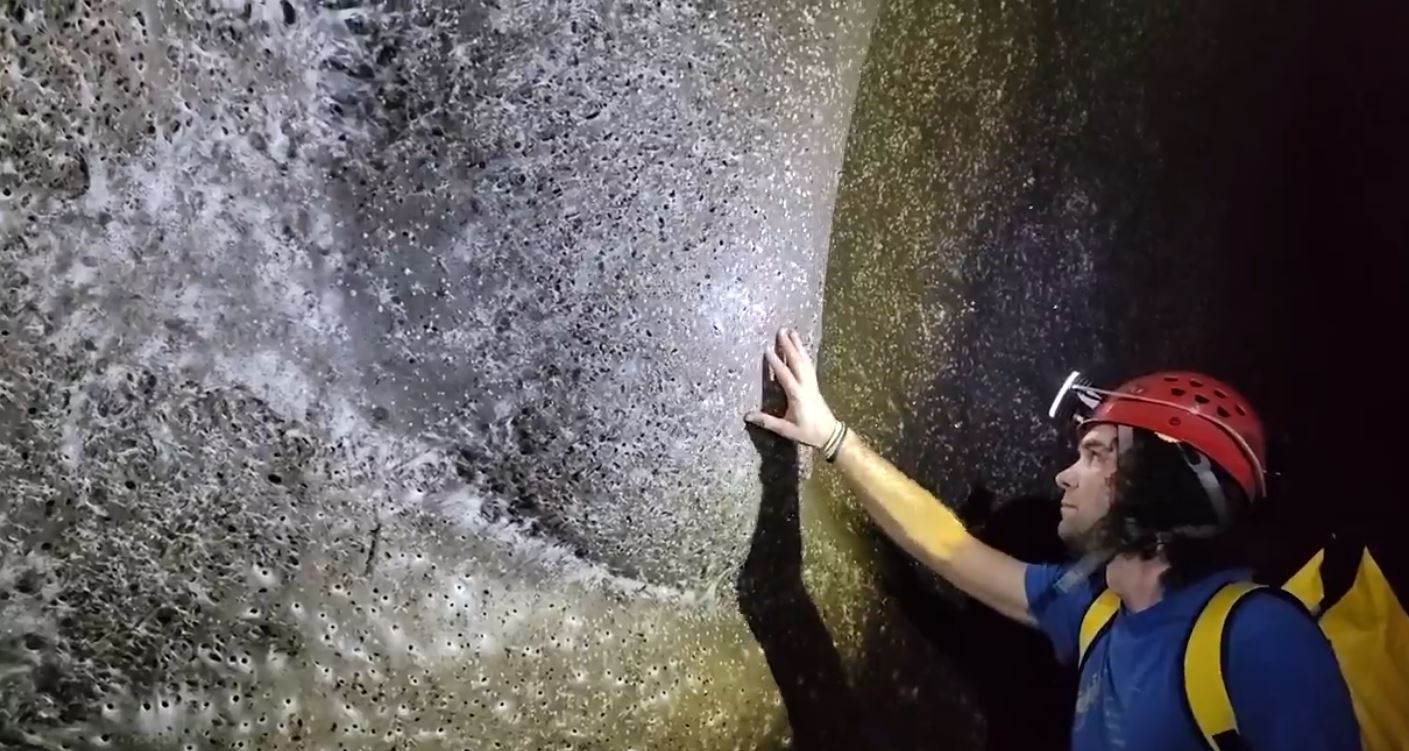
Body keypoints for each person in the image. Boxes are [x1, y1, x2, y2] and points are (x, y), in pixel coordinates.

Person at [743, 327, 1361, 751]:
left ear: (1158, 486)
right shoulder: (1094, 610)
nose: (1066, 475)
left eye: (1095, 455)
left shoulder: (1259, 637)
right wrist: (832, 437)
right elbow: (951, 549)